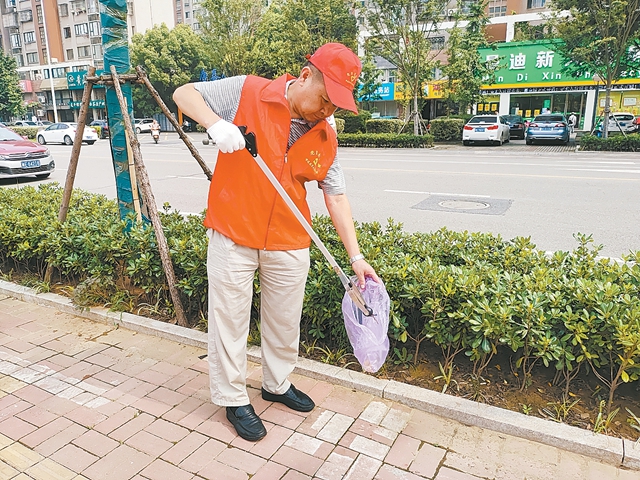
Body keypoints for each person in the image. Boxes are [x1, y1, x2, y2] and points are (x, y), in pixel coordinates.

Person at [173, 43, 379, 442]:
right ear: (305, 76)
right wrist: (216, 124)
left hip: (289, 239)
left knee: (285, 321)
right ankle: (233, 397)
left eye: (336, 106)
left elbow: (335, 196)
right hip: (234, 231)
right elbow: (184, 94)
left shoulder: (325, 137)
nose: (327, 111)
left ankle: (277, 384)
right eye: (324, 99)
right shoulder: (249, 90)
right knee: (230, 321)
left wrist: (356, 257)